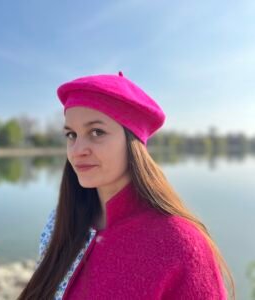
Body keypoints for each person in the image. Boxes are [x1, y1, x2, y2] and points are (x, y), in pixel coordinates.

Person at [17, 71, 235, 300]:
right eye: (71, 134)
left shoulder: (181, 245)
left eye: (96, 132)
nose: (77, 149)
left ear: (133, 143)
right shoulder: (60, 222)